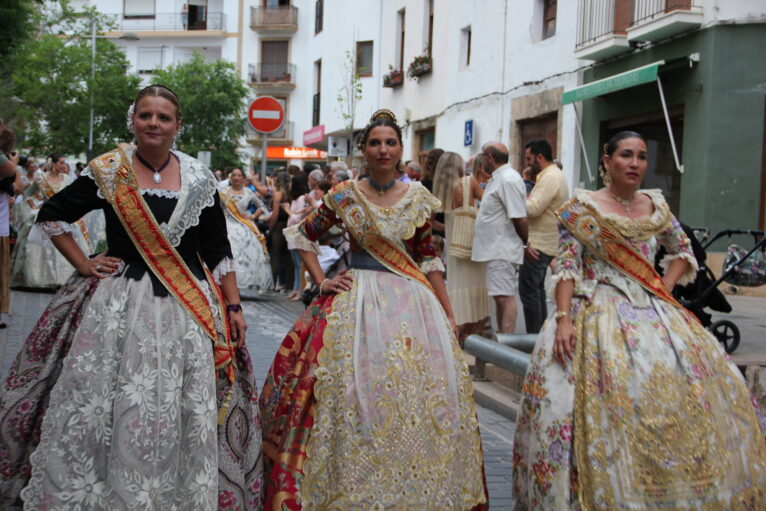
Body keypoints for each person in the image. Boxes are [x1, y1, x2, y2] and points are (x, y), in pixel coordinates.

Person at [0, 85, 263, 509]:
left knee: (180, 403)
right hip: (120, 302)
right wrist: (84, 264)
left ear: (177, 125)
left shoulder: (199, 177)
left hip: (187, 305)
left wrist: (233, 306)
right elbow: (53, 215)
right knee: (111, 400)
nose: (154, 124)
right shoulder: (108, 170)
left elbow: (217, 251)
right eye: (146, 116)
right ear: (133, 121)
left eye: (163, 117)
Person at [512, 131, 766, 509]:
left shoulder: (656, 206)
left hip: (653, 309)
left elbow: (681, 250)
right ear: (607, 160)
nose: (635, 164)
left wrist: (662, 286)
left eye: (642, 157)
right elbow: (567, 265)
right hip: (596, 310)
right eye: (626, 155)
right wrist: (563, 319)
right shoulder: (582, 208)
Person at [259, 110, 488, 510]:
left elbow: (428, 257)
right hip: (356, 301)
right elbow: (303, 234)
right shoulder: (345, 195)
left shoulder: (418, 196)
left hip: (412, 305)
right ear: (364, 149)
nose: (383, 149)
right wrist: (321, 280)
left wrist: (447, 313)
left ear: (401, 149)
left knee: (415, 394)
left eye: (391, 142)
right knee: (350, 391)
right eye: (375, 142)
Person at [432, 151, 491, 341]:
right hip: (471, 247)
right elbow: (489, 202)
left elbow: (431, 222)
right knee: (477, 291)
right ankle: (470, 337)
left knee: (457, 290)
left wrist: (450, 229)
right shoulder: (468, 182)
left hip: (454, 247)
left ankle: (456, 337)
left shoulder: (440, 190)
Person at [9, 154, 92, 289]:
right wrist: (34, 206)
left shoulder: (67, 179)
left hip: (64, 216)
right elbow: (27, 194)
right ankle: (37, 278)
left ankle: (63, 278)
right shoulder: (40, 179)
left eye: (65, 163)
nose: (64, 166)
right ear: (52, 163)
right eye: (61, 162)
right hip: (47, 215)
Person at [472, 141, 528, 334]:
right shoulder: (498, 178)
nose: (481, 161)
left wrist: (527, 245)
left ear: (490, 158)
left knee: (505, 297)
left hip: (501, 247)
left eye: (482, 156)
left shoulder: (508, 179)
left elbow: (519, 217)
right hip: (494, 248)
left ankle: (507, 343)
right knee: (499, 296)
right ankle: (502, 341)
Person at [519, 138, 568, 334]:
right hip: (545, 242)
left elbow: (533, 208)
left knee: (529, 292)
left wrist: (515, 197)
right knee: (536, 292)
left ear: (540, 157)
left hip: (539, 243)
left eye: (529, 158)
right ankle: (539, 336)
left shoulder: (550, 177)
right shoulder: (551, 175)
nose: (527, 163)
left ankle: (534, 338)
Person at [219, 167, 273, 291]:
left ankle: (243, 282)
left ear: (242, 178)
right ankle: (227, 284)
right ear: (230, 177)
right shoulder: (223, 192)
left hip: (244, 226)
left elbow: (262, 206)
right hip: (227, 225)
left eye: (239, 175)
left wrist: (253, 216)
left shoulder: (248, 192)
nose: (236, 178)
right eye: (234, 175)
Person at [285, 173, 314, 301]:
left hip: (298, 234)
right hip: (292, 234)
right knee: (296, 263)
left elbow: (297, 218)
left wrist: (287, 210)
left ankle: (300, 289)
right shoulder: (295, 199)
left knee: (299, 263)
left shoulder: (302, 199)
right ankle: (296, 288)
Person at [268, 170, 292, 292]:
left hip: (279, 226)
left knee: (275, 255)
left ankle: (272, 283)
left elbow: (275, 213)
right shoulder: (291, 193)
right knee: (288, 256)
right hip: (290, 225)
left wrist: (270, 227)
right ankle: (289, 285)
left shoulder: (278, 194)